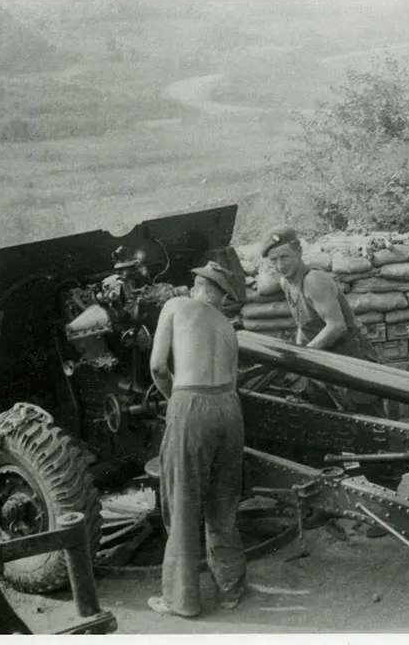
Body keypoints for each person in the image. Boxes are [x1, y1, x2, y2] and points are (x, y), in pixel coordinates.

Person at [260, 224, 408, 502]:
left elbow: (336, 326)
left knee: (370, 431)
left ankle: (388, 498)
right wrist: (298, 350)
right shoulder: (286, 284)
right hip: (325, 364)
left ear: (298, 252)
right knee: (323, 425)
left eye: (284, 257)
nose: (280, 265)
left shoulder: (314, 280)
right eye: (274, 260)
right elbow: (306, 325)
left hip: (352, 362)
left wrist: (306, 356)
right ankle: (332, 492)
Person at [147, 261, 248, 618]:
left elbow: (158, 365)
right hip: (230, 409)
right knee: (224, 503)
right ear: (222, 296)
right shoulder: (228, 326)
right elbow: (234, 378)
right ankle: (231, 589)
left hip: (192, 403)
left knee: (183, 503)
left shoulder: (175, 306)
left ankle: (182, 601)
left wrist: (174, 398)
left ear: (196, 287)